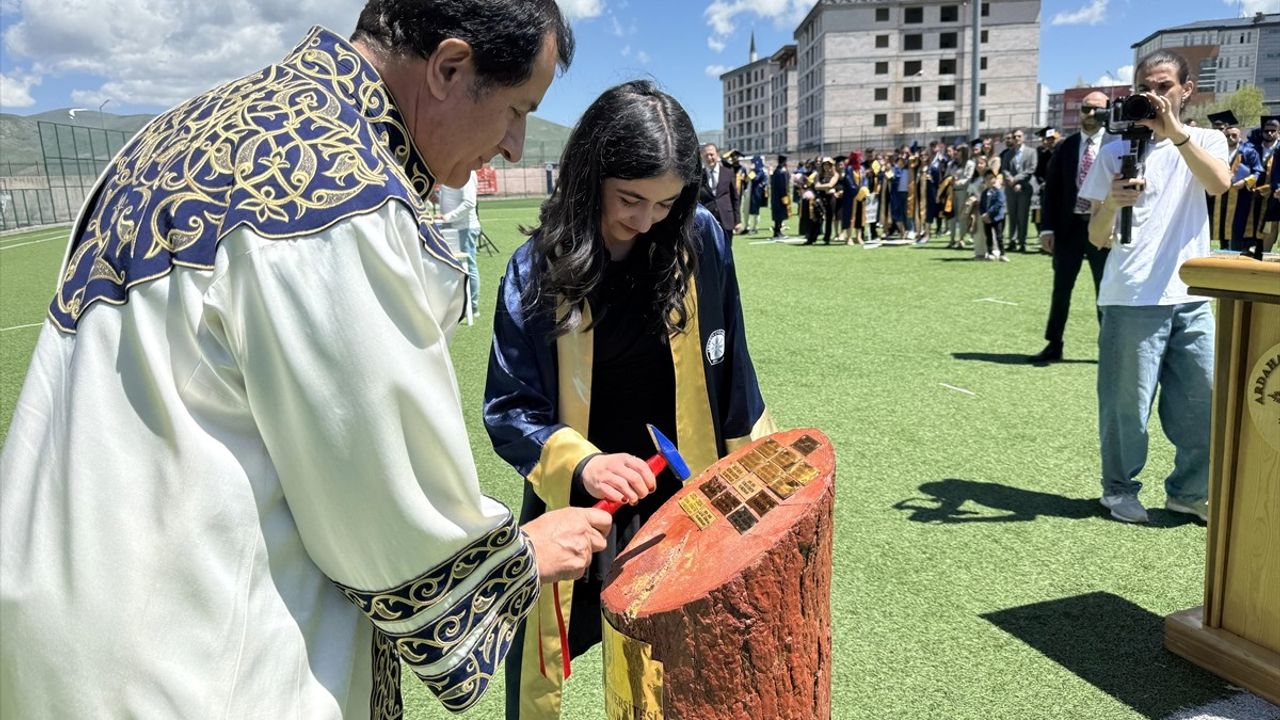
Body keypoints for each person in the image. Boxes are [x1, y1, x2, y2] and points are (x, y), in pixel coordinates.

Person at [0, 3, 616, 718]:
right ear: (449, 68)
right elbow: (386, 493)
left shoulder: (172, 134)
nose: (514, 146)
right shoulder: (331, 182)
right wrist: (524, 557)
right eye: (516, 110)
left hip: (65, 638)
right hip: (193, 669)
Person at [483, 80, 776, 720]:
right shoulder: (536, 269)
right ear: (592, 176)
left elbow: (734, 376)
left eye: (666, 201)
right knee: (540, 664)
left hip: (685, 489)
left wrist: (750, 491)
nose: (647, 220)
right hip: (586, 498)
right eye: (630, 199)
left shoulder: (699, 239)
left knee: (686, 659)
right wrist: (584, 464)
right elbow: (510, 408)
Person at [1080, 50, 1231, 524]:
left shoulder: (1204, 139)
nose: (1154, 94)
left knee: (1203, 405)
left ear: (1186, 90)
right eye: (1146, 85)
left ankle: (1189, 491)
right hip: (1130, 295)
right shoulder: (1113, 150)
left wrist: (1176, 133)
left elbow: (1219, 183)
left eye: (1164, 85)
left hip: (1190, 296)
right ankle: (1118, 489)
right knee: (1127, 408)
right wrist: (1111, 204)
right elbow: (1096, 236)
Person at [1027, 91, 1113, 364]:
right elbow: (1052, 189)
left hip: (1102, 228)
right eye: (1086, 109)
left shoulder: (1116, 145)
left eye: (1097, 110)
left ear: (1108, 112)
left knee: (1106, 291)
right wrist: (1046, 229)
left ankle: (1109, 347)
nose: (1090, 115)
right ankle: (1054, 343)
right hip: (1067, 229)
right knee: (1061, 289)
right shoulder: (1066, 146)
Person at [1205, 111, 1262, 253]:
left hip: (1239, 195)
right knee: (1219, 224)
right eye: (1227, 135)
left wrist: (1245, 182)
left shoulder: (1249, 151)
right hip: (1219, 194)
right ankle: (1223, 250)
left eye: (1233, 135)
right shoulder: (1217, 150)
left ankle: (1237, 252)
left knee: (1237, 225)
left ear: (1240, 136)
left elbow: (1258, 172)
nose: (1230, 138)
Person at [438, 169, 483, 317]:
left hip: (465, 227)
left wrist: (448, 217)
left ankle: (472, 306)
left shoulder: (467, 172)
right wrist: (436, 198)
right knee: (451, 266)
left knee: (468, 266)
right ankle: (459, 304)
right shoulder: (451, 171)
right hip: (451, 226)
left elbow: (469, 202)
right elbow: (451, 197)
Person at [698, 142, 743, 242]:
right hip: (707, 221)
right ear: (702, 158)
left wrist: (737, 221)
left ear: (717, 155)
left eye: (711, 154)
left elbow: (735, 198)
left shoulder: (728, 173)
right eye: (706, 155)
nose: (709, 158)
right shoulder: (699, 177)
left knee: (726, 253)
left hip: (726, 219)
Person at [979, 169, 1008, 261]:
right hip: (986, 219)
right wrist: (983, 214)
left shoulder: (999, 191)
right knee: (989, 236)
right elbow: (981, 205)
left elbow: (999, 203)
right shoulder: (984, 193)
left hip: (997, 218)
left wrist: (989, 213)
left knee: (999, 236)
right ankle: (990, 252)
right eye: (987, 179)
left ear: (995, 179)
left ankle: (1002, 254)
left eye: (991, 178)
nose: (989, 181)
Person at [770, 154, 791, 238]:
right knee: (780, 214)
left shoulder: (776, 171)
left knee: (777, 214)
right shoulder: (783, 171)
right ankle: (778, 231)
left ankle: (777, 231)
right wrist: (785, 196)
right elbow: (784, 185)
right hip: (782, 196)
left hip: (775, 196)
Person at [747, 155, 768, 234]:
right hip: (753, 192)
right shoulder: (756, 170)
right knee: (752, 210)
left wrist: (751, 172)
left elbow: (755, 178)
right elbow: (747, 179)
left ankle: (755, 227)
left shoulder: (760, 171)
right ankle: (752, 227)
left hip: (757, 192)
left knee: (756, 210)